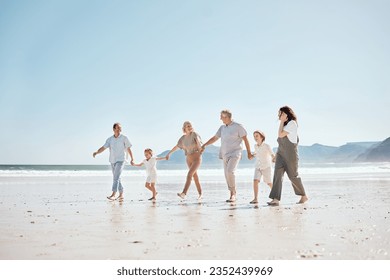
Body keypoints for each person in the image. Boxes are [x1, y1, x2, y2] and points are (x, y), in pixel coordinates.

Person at [201, 110, 253, 202]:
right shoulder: (222, 128)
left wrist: (249, 152)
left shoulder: (238, 126)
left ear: (227, 117)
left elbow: (245, 139)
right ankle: (231, 193)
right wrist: (205, 144)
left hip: (235, 153)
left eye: (221, 116)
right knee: (226, 175)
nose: (220, 118)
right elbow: (215, 138)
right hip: (224, 154)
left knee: (230, 172)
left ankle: (233, 194)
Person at [267, 106, 308, 206]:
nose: (280, 116)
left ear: (287, 114)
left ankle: (303, 196)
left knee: (293, 176)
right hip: (280, 155)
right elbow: (281, 144)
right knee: (277, 175)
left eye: (282, 114)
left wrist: (281, 122)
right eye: (279, 114)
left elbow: (280, 135)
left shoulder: (292, 124)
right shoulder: (284, 126)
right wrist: (276, 156)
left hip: (291, 156)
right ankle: (275, 199)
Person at [93, 123, 133, 202]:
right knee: (117, 178)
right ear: (113, 129)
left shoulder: (124, 138)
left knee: (116, 178)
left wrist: (132, 158)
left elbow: (128, 148)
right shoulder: (110, 139)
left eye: (120, 128)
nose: (119, 129)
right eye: (117, 128)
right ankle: (121, 194)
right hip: (112, 160)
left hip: (121, 160)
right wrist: (97, 152)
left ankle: (113, 195)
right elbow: (104, 147)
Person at [166, 121, 203, 200]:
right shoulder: (182, 138)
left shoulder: (194, 134)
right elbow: (177, 146)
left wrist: (201, 148)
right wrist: (169, 153)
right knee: (195, 176)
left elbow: (199, 143)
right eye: (187, 126)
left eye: (190, 126)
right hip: (188, 158)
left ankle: (184, 193)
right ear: (184, 128)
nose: (189, 127)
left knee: (189, 174)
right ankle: (200, 194)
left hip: (196, 157)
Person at [250, 130, 275, 204]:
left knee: (269, 182)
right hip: (258, 166)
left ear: (261, 137)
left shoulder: (267, 146)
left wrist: (274, 159)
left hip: (266, 166)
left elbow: (272, 154)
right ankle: (255, 199)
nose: (255, 137)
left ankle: (275, 196)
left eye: (257, 136)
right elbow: (256, 153)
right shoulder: (255, 146)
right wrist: (252, 155)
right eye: (254, 136)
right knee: (255, 181)